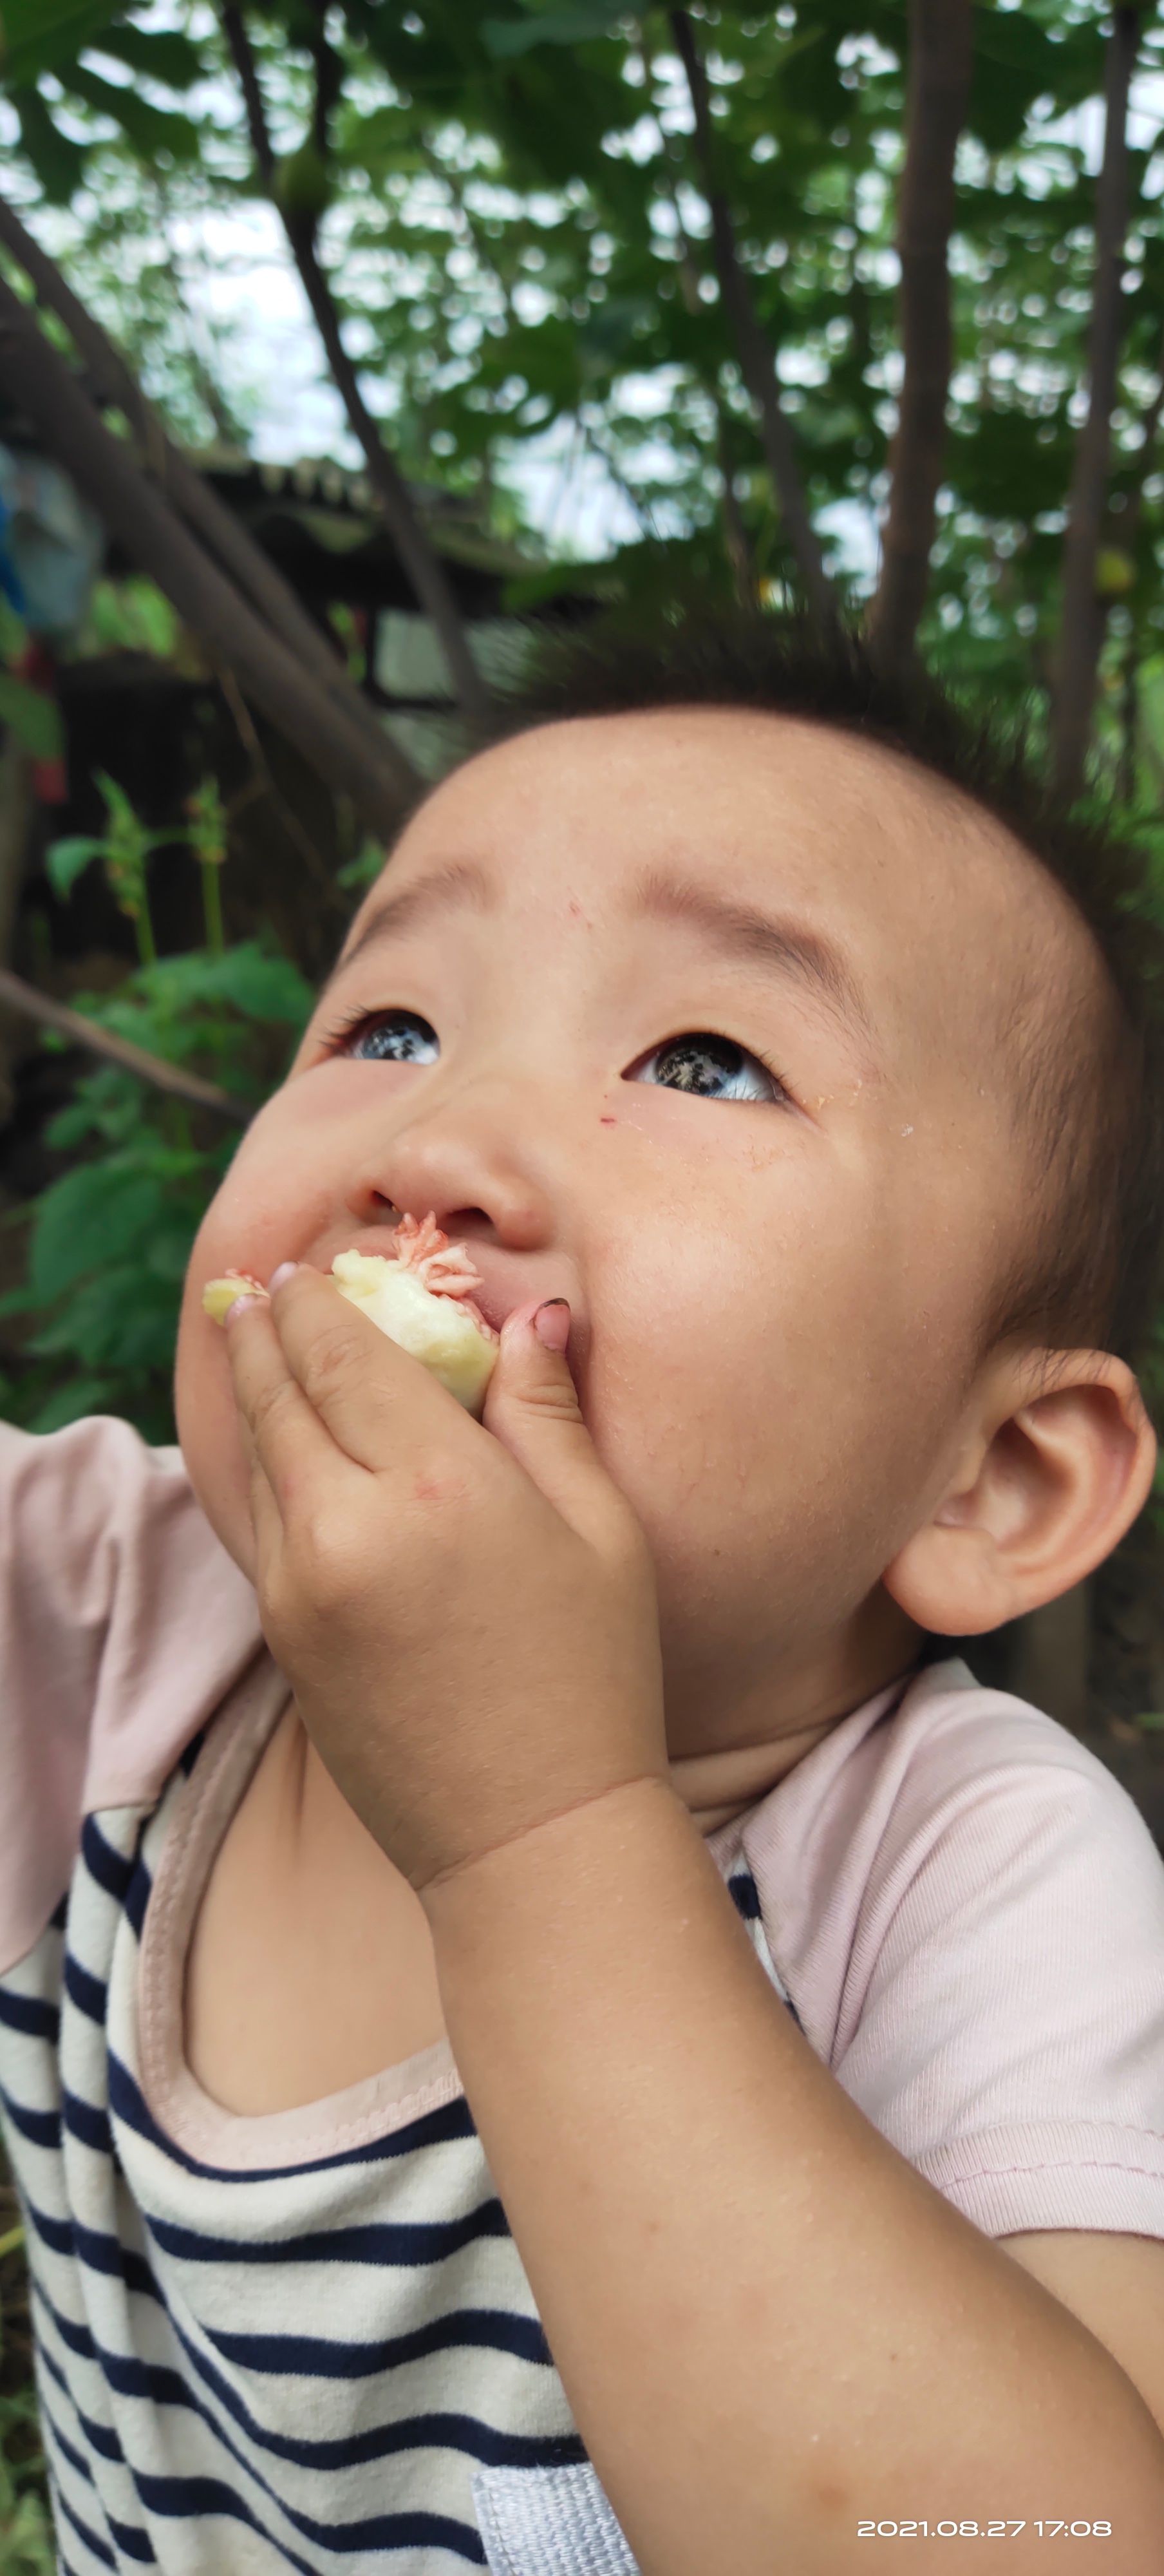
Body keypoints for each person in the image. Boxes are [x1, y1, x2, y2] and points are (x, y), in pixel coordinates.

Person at [3, 607, 1164, 2576]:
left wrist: (539, 1833)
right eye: (388, 1029)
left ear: (996, 1477)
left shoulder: (965, 1883)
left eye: (706, 1059)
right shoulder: (118, 1622)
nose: (433, 1146)